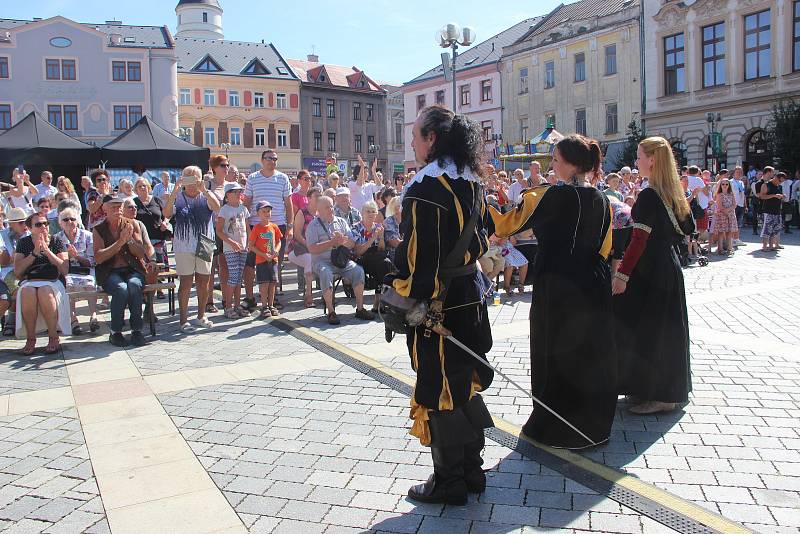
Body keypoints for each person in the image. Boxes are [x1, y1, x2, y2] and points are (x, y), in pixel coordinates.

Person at [394, 106, 494, 505]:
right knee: (464, 381)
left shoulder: (427, 187)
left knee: (439, 387)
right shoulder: (471, 181)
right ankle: (472, 470)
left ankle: (449, 480)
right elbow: (481, 241)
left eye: (416, 135)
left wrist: (420, 305)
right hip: (469, 294)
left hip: (439, 302)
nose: (413, 142)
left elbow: (422, 258)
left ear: (432, 138)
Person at [491, 134, 615, 449]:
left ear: (573, 164)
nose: (552, 165)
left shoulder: (551, 196)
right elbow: (605, 246)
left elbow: (505, 226)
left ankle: (556, 426)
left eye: (557, 160)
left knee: (557, 353)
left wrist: (481, 202)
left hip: (558, 286)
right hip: (592, 283)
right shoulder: (602, 199)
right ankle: (593, 426)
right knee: (589, 353)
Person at [612, 137, 695, 415]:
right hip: (668, 266)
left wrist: (622, 275)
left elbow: (638, 240)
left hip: (650, 271)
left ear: (653, 160)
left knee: (652, 331)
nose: (636, 162)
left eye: (639, 156)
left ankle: (661, 395)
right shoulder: (671, 192)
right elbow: (688, 227)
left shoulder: (650, 194)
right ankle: (656, 389)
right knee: (664, 330)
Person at [163, 166, 221, 333]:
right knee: (186, 282)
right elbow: (166, 214)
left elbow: (217, 208)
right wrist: (174, 191)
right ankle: (183, 320)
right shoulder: (177, 196)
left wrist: (205, 190)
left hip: (205, 243)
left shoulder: (206, 195)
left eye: (193, 177)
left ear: (200, 179)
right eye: (186, 177)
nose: (190, 181)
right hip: (183, 244)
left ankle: (201, 316)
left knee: (204, 280)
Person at [93, 196, 155, 347]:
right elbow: (99, 257)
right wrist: (120, 242)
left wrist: (129, 240)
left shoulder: (131, 225)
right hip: (110, 271)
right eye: (113, 207)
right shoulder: (98, 229)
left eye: (120, 206)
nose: (118, 210)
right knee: (121, 289)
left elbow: (141, 253)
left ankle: (137, 330)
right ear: (104, 209)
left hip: (132, 269)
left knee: (134, 284)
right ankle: (116, 332)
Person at [306, 196, 374, 325]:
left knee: (358, 270)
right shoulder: (313, 225)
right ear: (319, 210)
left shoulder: (341, 222)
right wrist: (331, 242)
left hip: (341, 260)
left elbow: (352, 244)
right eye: (327, 207)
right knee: (326, 272)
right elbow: (312, 248)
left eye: (331, 206)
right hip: (322, 261)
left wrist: (343, 241)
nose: (331, 209)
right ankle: (331, 312)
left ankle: (360, 308)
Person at [14, 212, 71, 354]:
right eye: (38, 224)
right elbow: (18, 271)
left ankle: (53, 336)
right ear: (30, 228)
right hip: (30, 280)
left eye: (45, 223)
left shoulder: (57, 240)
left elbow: (64, 268)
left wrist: (47, 251)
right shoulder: (23, 242)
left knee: (45, 291)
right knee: (28, 292)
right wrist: (34, 253)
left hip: (52, 280)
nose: (43, 227)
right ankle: (30, 338)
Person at [243, 150, 294, 310]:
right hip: (255, 226)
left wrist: (290, 226)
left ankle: (273, 298)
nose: (272, 161)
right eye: (269, 158)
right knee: (251, 263)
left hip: (277, 226)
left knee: (273, 262)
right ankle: (250, 296)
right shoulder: (252, 178)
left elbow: (288, 204)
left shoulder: (283, 178)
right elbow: (247, 203)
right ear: (262, 160)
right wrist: (246, 227)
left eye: (275, 159)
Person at [56, 207, 98, 335]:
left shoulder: (88, 236)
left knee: (90, 283)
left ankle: (93, 315)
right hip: (67, 270)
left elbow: (92, 261)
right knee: (67, 284)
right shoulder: (57, 238)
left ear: (77, 220)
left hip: (85, 269)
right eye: (66, 219)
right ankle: (73, 319)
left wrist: (76, 256)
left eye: (72, 219)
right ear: (60, 222)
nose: (69, 222)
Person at [350, 201, 393, 314]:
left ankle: (378, 302)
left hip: (376, 258)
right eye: (368, 211)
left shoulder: (378, 227)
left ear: (376, 214)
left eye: (373, 212)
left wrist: (382, 237)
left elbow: (381, 249)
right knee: (383, 263)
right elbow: (358, 252)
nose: (370, 214)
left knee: (384, 263)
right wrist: (373, 238)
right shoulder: (356, 227)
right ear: (362, 213)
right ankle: (379, 301)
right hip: (361, 259)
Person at [216, 182, 251, 319]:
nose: (238, 194)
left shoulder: (243, 209)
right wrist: (231, 242)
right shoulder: (224, 210)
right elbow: (219, 231)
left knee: (238, 278)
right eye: (234, 192)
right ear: (227, 195)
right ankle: (228, 306)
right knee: (233, 277)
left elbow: (247, 229)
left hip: (242, 247)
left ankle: (237, 305)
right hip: (230, 248)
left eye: (239, 192)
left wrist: (248, 243)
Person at [288, 187, 321, 308]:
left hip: (315, 249)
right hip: (297, 249)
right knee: (309, 259)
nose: (319, 198)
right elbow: (297, 234)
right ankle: (309, 295)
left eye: (320, 196)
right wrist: (309, 245)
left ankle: (327, 295)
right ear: (308, 198)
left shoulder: (320, 214)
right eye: (316, 196)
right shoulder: (302, 212)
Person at [248, 201, 282, 318]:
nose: (267, 214)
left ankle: (271, 305)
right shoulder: (257, 228)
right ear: (258, 213)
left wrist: (277, 250)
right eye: (263, 211)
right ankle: (264, 306)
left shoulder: (274, 227)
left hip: (273, 259)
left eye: (268, 211)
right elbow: (251, 246)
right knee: (264, 283)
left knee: (272, 283)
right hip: (261, 260)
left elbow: (278, 241)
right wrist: (263, 255)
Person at [0, 208, 29, 336]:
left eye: (25, 222)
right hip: (9, 270)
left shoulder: (29, 234)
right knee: (17, 290)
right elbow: (3, 261)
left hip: (27, 267)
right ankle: (11, 321)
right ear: (11, 224)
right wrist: (11, 256)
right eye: (20, 223)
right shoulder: (2, 235)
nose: (25, 225)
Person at [133, 178, 170, 268]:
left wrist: (165, 222)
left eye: (144, 185)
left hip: (158, 239)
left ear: (148, 187)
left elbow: (167, 214)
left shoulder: (156, 200)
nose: (142, 188)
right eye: (139, 186)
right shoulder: (134, 202)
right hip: (142, 242)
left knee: (161, 269)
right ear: (136, 189)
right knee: (145, 270)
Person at [759, 170, 784, 252]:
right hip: (768, 210)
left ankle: (771, 246)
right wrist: (774, 195)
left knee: (775, 230)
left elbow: (779, 196)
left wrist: (782, 196)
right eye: (780, 180)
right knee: (767, 229)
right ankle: (764, 247)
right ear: (776, 177)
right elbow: (762, 196)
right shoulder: (766, 185)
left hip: (777, 210)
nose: (780, 183)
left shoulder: (779, 186)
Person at [711, 178, 737, 255]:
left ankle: (729, 248)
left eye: (726, 184)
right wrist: (727, 212)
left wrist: (729, 211)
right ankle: (720, 249)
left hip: (731, 214)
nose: (725, 186)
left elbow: (734, 204)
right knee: (721, 232)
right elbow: (720, 206)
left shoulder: (731, 194)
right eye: (723, 184)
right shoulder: (719, 195)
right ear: (720, 185)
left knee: (730, 232)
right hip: (722, 215)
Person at [382, 196, 403, 264]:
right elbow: (395, 243)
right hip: (394, 257)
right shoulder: (388, 222)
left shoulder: (408, 220)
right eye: (398, 206)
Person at [730, 166, 746, 246]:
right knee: (733, 223)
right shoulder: (730, 182)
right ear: (733, 173)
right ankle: (731, 239)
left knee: (739, 223)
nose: (739, 174)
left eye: (740, 172)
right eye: (737, 172)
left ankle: (737, 239)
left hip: (741, 204)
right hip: (733, 205)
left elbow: (743, 194)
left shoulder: (741, 183)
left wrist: (745, 205)